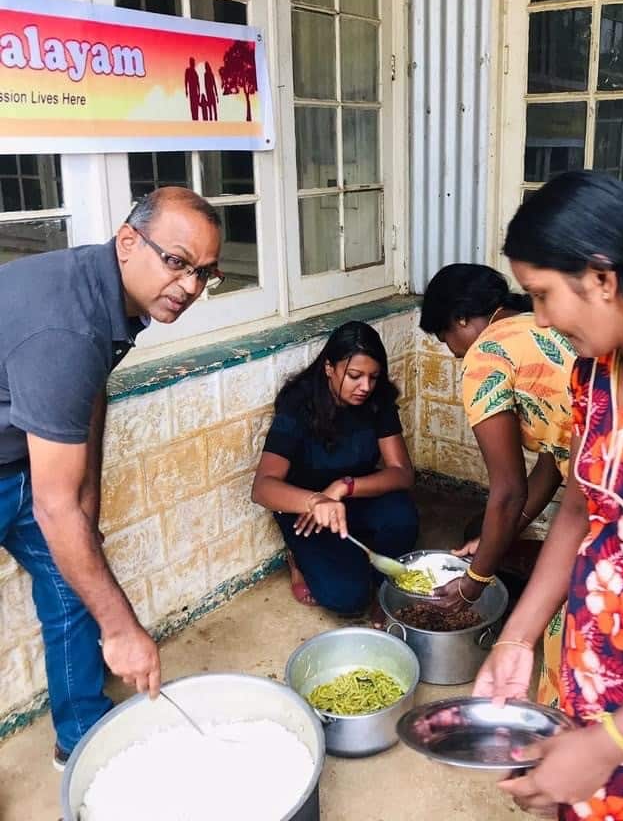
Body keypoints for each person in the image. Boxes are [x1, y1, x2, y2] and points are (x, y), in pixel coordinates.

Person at [475, 170, 623, 820]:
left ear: (602, 279)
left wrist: (609, 745)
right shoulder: (595, 372)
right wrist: (517, 638)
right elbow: (580, 513)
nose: (543, 320)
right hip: (592, 682)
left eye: (544, 295)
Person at [0, 187, 224, 769]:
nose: (191, 287)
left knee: (73, 580)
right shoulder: (65, 328)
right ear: (128, 242)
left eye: (205, 273)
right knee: (87, 575)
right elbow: (55, 508)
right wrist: (123, 631)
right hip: (24, 469)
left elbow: (90, 383)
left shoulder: (110, 295)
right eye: (178, 262)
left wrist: (90, 490)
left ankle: (81, 739)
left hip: (18, 455)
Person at [419, 265, 573, 637]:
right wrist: (493, 540)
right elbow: (551, 465)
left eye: (444, 337)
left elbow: (508, 492)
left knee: (568, 620)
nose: (453, 353)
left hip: (608, 496)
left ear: (460, 319)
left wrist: (474, 581)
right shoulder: (541, 324)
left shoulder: (485, 355)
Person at [252, 321, 417, 615]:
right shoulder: (299, 404)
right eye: (354, 376)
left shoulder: (377, 401)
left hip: (355, 495)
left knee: (402, 516)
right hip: (306, 510)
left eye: (373, 377)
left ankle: (381, 586)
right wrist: (316, 501)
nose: (365, 387)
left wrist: (344, 486)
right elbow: (263, 487)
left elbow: (402, 472)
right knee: (348, 598)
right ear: (329, 367)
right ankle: (297, 557)